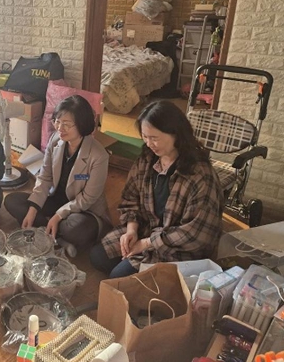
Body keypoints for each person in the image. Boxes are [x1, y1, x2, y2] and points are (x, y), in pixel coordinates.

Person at [90, 100, 224, 279]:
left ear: (176, 134)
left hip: (178, 246)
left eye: (154, 138)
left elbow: (195, 235)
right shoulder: (148, 159)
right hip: (146, 228)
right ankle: (138, 272)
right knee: (98, 257)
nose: (149, 143)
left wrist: (146, 244)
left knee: (118, 276)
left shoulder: (200, 175)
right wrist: (131, 230)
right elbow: (130, 198)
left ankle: (147, 275)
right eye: (145, 137)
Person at [4, 95, 112, 257]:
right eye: (57, 121)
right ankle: (58, 238)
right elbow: (45, 177)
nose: (60, 128)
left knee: (77, 228)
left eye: (67, 124)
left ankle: (48, 229)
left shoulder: (98, 155)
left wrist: (59, 215)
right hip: (56, 199)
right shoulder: (55, 140)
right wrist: (33, 209)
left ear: (82, 124)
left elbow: (87, 198)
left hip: (83, 210)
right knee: (12, 201)